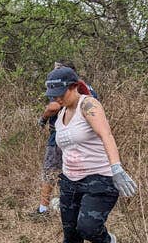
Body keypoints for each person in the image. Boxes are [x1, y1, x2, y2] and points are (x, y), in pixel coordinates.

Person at [45, 67, 137, 243]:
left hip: (100, 179)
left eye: (60, 92)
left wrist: (116, 167)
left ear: (74, 86)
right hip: (70, 182)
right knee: (70, 237)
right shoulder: (61, 112)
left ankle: (106, 242)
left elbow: (105, 134)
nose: (56, 98)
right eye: (53, 94)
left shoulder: (89, 105)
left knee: (87, 227)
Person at [32, 60, 98, 219]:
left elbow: (53, 106)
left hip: (61, 134)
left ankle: (43, 209)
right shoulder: (89, 90)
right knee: (75, 170)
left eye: (58, 70)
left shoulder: (64, 88)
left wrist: (43, 119)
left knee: (50, 170)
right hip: (85, 136)